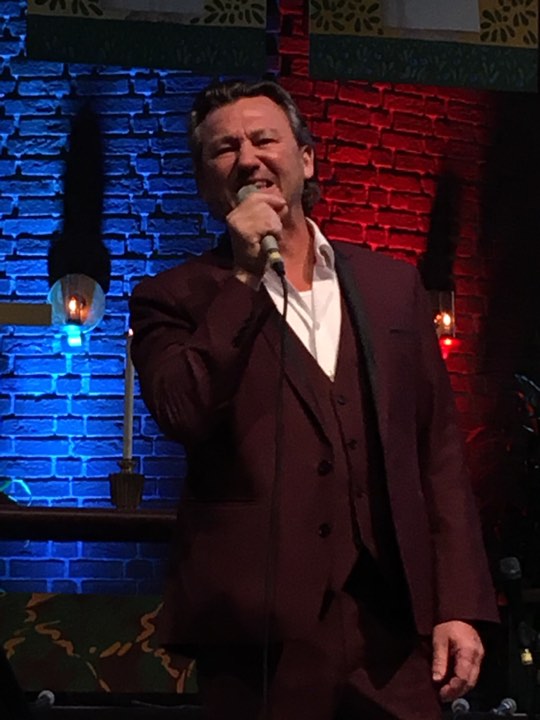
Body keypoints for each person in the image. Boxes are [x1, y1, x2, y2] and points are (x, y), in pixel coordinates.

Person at [129, 78, 499, 720]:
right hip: (259, 634)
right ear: (205, 183)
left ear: (305, 159)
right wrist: (244, 277)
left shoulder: (391, 286)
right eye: (224, 149)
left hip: (392, 629)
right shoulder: (174, 297)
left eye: (264, 140)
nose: (248, 159)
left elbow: (437, 450)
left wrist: (458, 604)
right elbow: (182, 409)